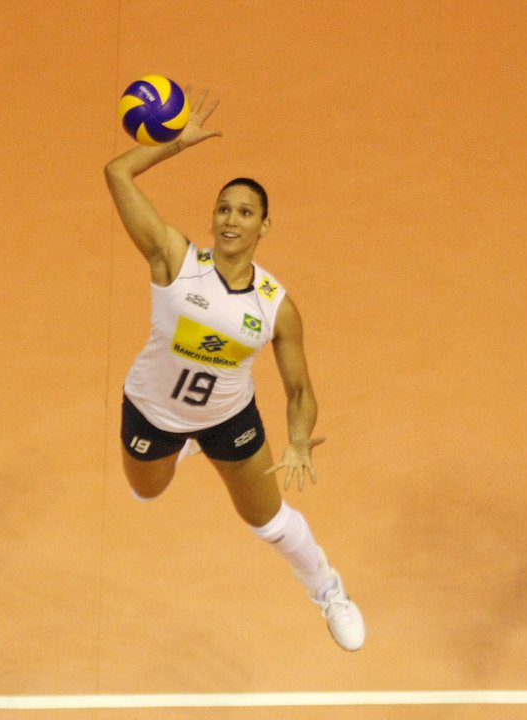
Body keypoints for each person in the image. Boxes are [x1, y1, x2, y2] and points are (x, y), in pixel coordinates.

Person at [104, 88, 365, 652]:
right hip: (152, 412)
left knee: (268, 522)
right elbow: (117, 172)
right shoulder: (175, 261)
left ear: (264, 227)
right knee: (146, 493)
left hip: (229, 418)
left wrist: (298, 440)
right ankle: (182, 447)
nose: (231, 219)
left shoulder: (275, 306)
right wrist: (176, 143)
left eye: (245, 212)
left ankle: (329, 591)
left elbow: (299, 389)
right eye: (223, 208)